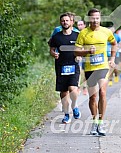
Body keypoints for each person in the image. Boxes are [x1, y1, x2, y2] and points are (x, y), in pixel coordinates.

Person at [74, 8, 116, 136]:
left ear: (100, 18)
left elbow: (114, 44)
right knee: (93, 97)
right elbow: (76, 51)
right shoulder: (83, 33)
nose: (95, 20)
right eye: (93, 18)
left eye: (97, 18)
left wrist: (112, 58)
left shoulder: (106, 31)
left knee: (102, 93)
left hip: (103, 66)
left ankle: (101, 122)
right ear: (89, 19)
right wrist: (86, 52)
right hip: (89, 68)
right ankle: (94, 122)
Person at [49, 13, 81, 124]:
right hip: (61, 66)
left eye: (67, 20)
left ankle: (75, 105)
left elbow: (82, 48)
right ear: (60, 22)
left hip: (74, 65)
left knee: (73, 88)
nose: (65, 22)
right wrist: (54, 54)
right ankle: (67, 114)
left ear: (71, 22)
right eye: (63, 21)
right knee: (63, 93)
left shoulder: (77, 35)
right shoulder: (56, 37)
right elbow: (52, 49)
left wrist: (80, 55)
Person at [76, 20, 88, 95]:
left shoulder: (87, 33)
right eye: (78, 25)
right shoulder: (76, 33)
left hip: (86, 55)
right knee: (79, 72)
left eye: (81, 24)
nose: (79, 26)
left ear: (84, 25)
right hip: (79, 55)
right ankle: (78, 87)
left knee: (86, 72)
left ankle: (85, 87)